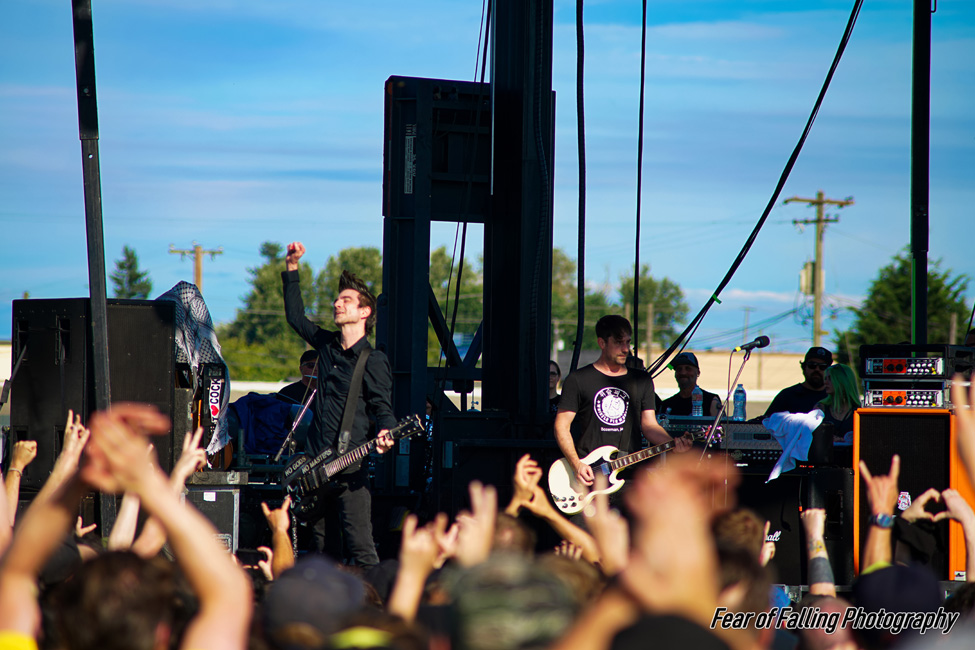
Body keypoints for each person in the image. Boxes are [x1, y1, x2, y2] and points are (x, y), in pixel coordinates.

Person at [282, 241, 396, 567]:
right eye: (336, 299)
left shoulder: (372, 360)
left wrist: (387, 429)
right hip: (315, 467)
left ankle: (374, 609)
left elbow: (382, 406)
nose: (337, 303)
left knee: (362, 550)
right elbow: (294, 317)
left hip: (350, 470)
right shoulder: (327, 346)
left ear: (364, 312)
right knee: (322, 553)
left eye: (346, 300)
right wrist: (292, 269)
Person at [554, 315, 690, 489]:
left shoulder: (641, 380)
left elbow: (649, 425)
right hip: (589, 475)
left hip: (629, 476)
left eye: (628, 342)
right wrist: (576, 464)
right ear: (602, 343)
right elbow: (561, 426)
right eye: (619, 342)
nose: (625, 349)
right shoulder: (578, 379)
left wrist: (672, 443)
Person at [763, 346, 832, 417]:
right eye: (812, 365)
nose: (817, 369)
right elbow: (766, 424)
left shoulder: (835, 398)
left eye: (823, 366)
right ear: (804, 367)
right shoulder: (787, 396)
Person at [659, 352, 721, 417]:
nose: (683, 373)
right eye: (679, 369)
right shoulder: (666, 405)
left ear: (698, 372)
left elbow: (723, 426)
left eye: (688, 368)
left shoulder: (711, 401)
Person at [814, 363, 860, 442]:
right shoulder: (821, 408)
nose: (825, 382)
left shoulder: (859, 411)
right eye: (825, 378)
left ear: (842, 381)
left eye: (830, 378)